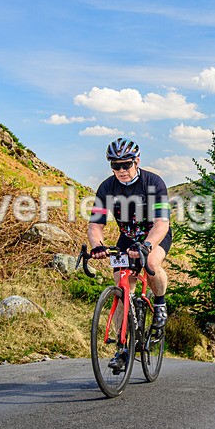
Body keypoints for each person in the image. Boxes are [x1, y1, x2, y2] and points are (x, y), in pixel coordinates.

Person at [87, 138, 172, 372]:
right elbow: (96, 225)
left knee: (152, 263)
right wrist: (97, 246)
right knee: (122, 287)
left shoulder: (153, 183)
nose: (121, 170)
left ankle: (161, 303)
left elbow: (161, 223)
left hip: (154, 234)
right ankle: (123, 347)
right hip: (127, 237)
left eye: (126, 164)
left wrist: (146, 245)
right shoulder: (107, 188)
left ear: (137, 161)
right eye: (116, 166)